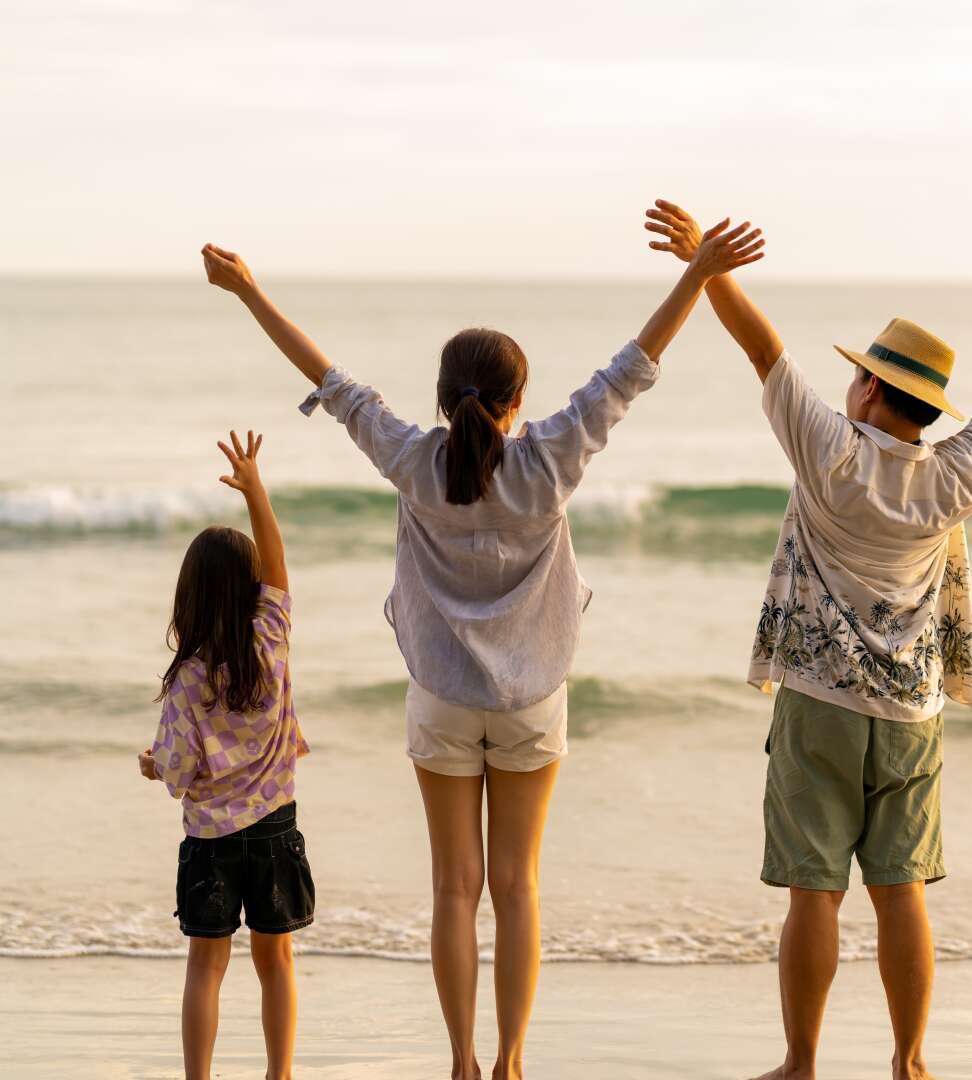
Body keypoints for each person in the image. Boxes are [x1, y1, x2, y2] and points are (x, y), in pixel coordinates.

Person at [198, 219, 764, 1080]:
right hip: (533, 700)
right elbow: (634, 366)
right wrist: (696, 274)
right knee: (517, 888)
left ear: (441, 396)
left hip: (442, 700)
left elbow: (329, 378)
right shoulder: (550, 458)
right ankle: (509, 1064)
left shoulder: (412, 459)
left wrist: (248, 292)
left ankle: (460, 1063)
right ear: (515, 398)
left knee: (454, 889)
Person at [644, 199, 972, 1080]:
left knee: (813, 890)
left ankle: (801, 1063)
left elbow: (763, 350)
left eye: (857, 377)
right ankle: (909, 1060)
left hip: (819, 705)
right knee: (901, 890)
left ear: (868, 389)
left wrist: (710, 269)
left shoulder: (827, 450)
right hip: (911, 715)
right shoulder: (955, 474)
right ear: (928, 409)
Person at [139, 430, 314, 1080]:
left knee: (206, 969)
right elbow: (279, 562)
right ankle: (280, 1073)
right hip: (274, 829)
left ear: (190, 596)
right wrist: (256, 490)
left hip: (212, 840)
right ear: (252, 591)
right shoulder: (272, 640)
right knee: (278, 962)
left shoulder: (187, 679)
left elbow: (180, 770)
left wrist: (156, 763)